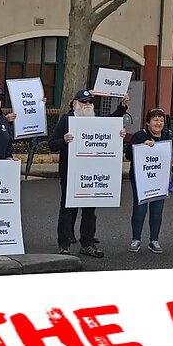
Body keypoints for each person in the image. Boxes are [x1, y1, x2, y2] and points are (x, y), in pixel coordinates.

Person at [48, 89, 113, 257]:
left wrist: (118, 135)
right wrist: (64, 140)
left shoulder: (96, 122)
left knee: (89, 211)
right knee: (67, 208)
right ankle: (64, 244)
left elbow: (108, 137)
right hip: (70, 172)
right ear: (74, 103)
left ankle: (87, 243)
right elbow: (52, 144)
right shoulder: (66, 120)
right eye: (84, 102)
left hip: (91, 174)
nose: (87, 105)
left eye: (90, 102)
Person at [125, 108, 173, 254]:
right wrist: (142, 146)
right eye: (155, 120)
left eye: (161, 120)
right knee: (140, 210)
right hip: (140, 179)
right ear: (148, 122)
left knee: (157, 211)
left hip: (159, 179)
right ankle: (135, 239)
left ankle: (154, 240)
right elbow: (129, 154)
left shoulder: (167, 136)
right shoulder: (139, 135)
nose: (159, 123)